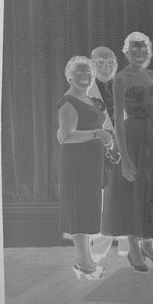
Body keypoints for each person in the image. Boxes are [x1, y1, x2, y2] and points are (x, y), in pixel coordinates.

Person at [101, 32, 153, 272]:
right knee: (134, 191)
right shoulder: (121, 78)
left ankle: (148, 245)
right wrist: (124, 158)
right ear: (127, 53)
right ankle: (133, 248)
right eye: (135, 50)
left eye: (143, 49)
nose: (140, 53)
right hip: (133, 138)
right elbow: (118, 120)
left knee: (152, 190)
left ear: (149, 51)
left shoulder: (152, 75)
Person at [57, 56, 113, 279]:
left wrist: (104, 140)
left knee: (88, 209)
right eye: (79, 72)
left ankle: (86, 259)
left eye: (88, 72)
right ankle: (82, 262)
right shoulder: (69, 101)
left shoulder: (87, 99)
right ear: (69, 76)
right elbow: (67, 136)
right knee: (80, 209)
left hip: (91, 162)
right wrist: (98, 133)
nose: (85, 76)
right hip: (76, 163)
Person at [81, 46, 130, 261]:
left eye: (110, 62)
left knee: (125, 194)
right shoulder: (84, 90)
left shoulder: (124, 85)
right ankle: (100, 244)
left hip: (126, 147)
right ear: (92, 64)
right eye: (100, 62)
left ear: (116, 64)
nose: (106, 66)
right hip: (98, 150)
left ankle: (127, 240)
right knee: (101, 198)